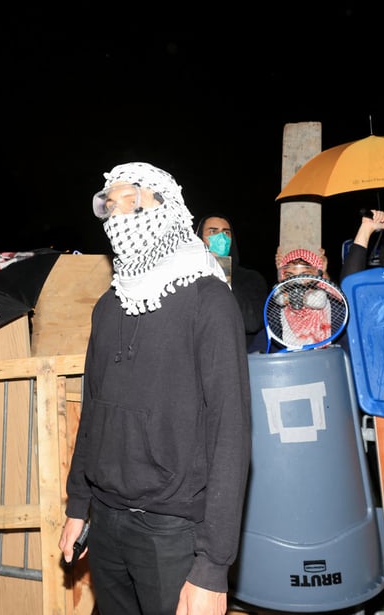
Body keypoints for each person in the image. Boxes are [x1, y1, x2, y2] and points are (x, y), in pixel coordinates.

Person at [61, 162, 252, 615]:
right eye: (111, 206)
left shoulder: (209, 300)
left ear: (166, 209)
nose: (120, 216)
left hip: (173, 532)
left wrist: (212, 566)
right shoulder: (108, 306)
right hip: (106, 523)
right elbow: (94, 411)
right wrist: (78, 505)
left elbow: (232, 434)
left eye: (133, 202)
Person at [194, 213, 269, 350]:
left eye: (226, 233)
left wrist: (222, 272)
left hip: (235, 357)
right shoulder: (187, 278)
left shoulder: (251, 279)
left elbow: (252, 323)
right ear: (199, 238)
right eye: (213, 231)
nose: (221, 238)